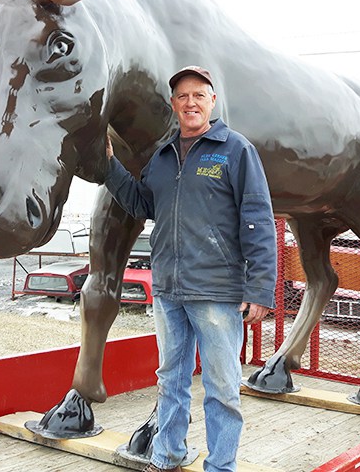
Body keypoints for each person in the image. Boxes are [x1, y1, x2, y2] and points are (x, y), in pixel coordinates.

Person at [104, 65, 278, 472]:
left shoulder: (235, 150)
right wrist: (111, 166)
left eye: (199, 95)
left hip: (217, 291)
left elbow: (257, 217)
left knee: (221, 387)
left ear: (212, 101)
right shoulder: (163, 156)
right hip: (168, 290)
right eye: (182, 96)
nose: (190, 102)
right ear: (173, 105)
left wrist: (260, 287)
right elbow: (143, 203)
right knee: (171, 380)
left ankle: (220, 466)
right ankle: (168, 456)